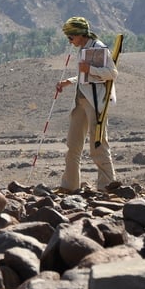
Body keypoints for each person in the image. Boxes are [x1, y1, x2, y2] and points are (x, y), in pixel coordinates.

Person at [54, 16, 118, 192]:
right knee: (73, 145)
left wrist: (89, 69)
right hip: (80, 102)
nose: (70, 41)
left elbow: (111, 73)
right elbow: (85, 77)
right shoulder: (83, 48)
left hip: (96, 103)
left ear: (80, 34)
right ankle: (69, 186)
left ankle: (107, 187)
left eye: (71, 37)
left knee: (98, 145)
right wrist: (70, 81)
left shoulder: (98, 48)